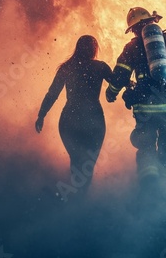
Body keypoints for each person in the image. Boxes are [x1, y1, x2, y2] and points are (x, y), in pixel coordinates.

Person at [105, 7, 166, 194]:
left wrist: (111, 92)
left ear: (134, 29)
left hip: (145, 107)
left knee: (146, 145)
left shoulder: (132, 47)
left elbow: (120, 74)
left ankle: (149, 186)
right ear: (153, 21)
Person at [35, 35, 112, 200]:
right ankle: (80, 201)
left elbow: (52, 94)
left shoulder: (66, 68)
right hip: (94, 120)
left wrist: (41, 115)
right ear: (94, 49)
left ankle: (74, 200)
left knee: (77, 161)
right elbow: (118, 84)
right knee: (87, 165)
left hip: (70, 119)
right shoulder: (101, 67)